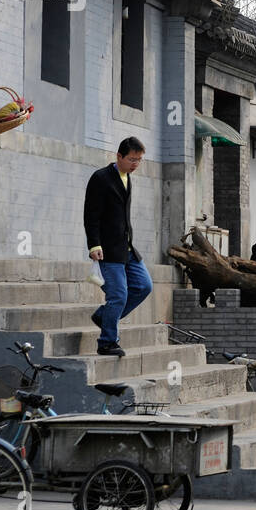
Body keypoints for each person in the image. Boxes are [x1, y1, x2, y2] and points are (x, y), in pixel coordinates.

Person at [84, 137, 152, 358]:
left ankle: (104, 316)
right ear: (119, 156)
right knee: (118, 295)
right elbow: (91, 215)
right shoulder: (101, 178)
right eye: (132, 159)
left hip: (127, 247)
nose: (135, 164)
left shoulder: (127, 178)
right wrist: (94, 244)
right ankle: (107, 342)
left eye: (139, 160)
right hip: (108, 249)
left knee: (143, 286)